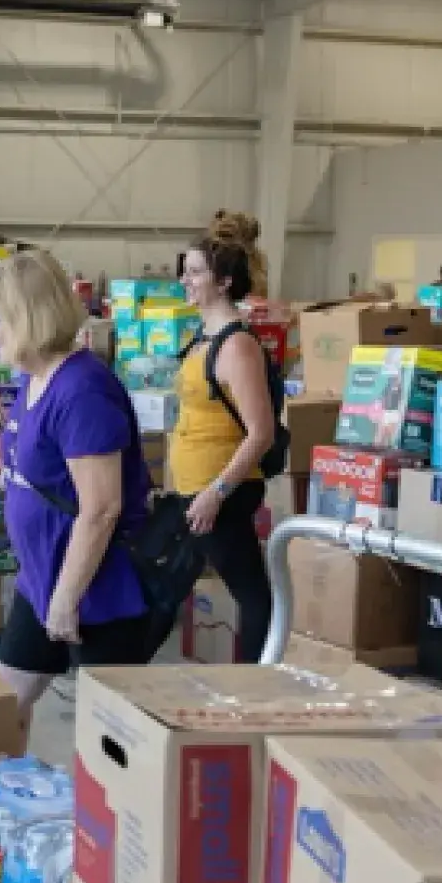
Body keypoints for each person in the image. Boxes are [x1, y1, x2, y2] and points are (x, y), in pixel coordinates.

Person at [0, 250, 153, 730]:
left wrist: (65, 597)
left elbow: (101, 508)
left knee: (111, 734)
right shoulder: (34, 379)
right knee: (1, 708)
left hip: (94, 589)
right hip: (41, 579)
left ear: (26, 318)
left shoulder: (82, 392)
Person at [170, 212, 279, 663]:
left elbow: (261, 433)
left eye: (195, 273)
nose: (184, 280)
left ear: (224, 281)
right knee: (166, 584)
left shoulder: (236, 346)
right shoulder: (201, 336)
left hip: (221, 493)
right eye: (186, 270)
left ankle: (253, 684)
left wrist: (217, 492)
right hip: (193, 489)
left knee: (252, 594)